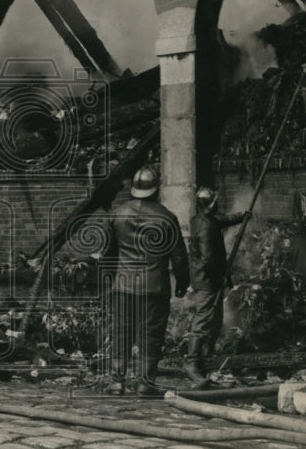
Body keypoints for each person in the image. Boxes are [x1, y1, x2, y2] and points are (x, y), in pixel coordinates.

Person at [103, 166, 190, 397]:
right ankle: (144, 383)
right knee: (151, 334)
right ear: (156, 188)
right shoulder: (167, 217)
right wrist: (182, 282)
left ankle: (116, 382)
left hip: (123, 285)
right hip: (154, 286)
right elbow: (179, 256)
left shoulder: (118, 213)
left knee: (121, 332)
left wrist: (112, 278)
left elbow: (108, 254)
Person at [183, 187, 250, 389]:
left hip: (206, 279)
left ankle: (204, 359)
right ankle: (192, 362)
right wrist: (218, 277)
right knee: (204, 319)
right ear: (212, 203)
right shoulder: (205, 227)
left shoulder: (201, 219)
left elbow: (219, 220)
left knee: (214, 319)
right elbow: (208, 259)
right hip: (208, 280)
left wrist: (241, 216)